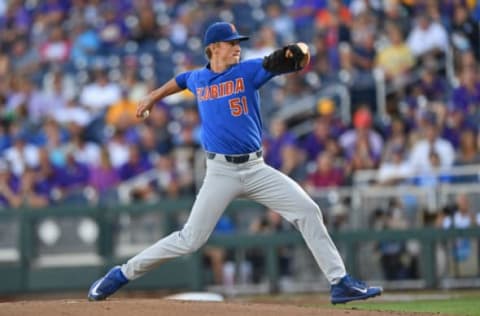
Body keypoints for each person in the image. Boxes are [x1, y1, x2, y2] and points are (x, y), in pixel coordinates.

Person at [87, 21, 382, 304]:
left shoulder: (248, 71)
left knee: (307, 210)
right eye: (232, 44)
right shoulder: (199, 78)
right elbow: (181, 80)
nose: (238, 47)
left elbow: (280, 61)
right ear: (214, 48)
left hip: (256, 169)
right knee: (190, 239)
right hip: (220, 172)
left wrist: (298, 51)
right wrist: (154, 96)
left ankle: (339, 282)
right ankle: (120, 275)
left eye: (238, 43)